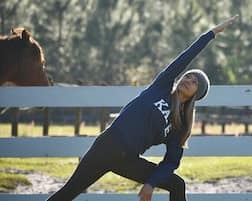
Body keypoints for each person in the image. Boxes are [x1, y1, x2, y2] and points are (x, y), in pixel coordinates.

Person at [46, 15, 238, 201]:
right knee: (67, 193)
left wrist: (151, 183)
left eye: (195, 82)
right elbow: (185, 57)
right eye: (188, 76)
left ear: (196, 94)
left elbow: (171, 162)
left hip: (128, 159)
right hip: (106, 146)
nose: (189, 80)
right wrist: (211, 33)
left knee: (177, 185)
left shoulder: (180, 125)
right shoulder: (161, 86)